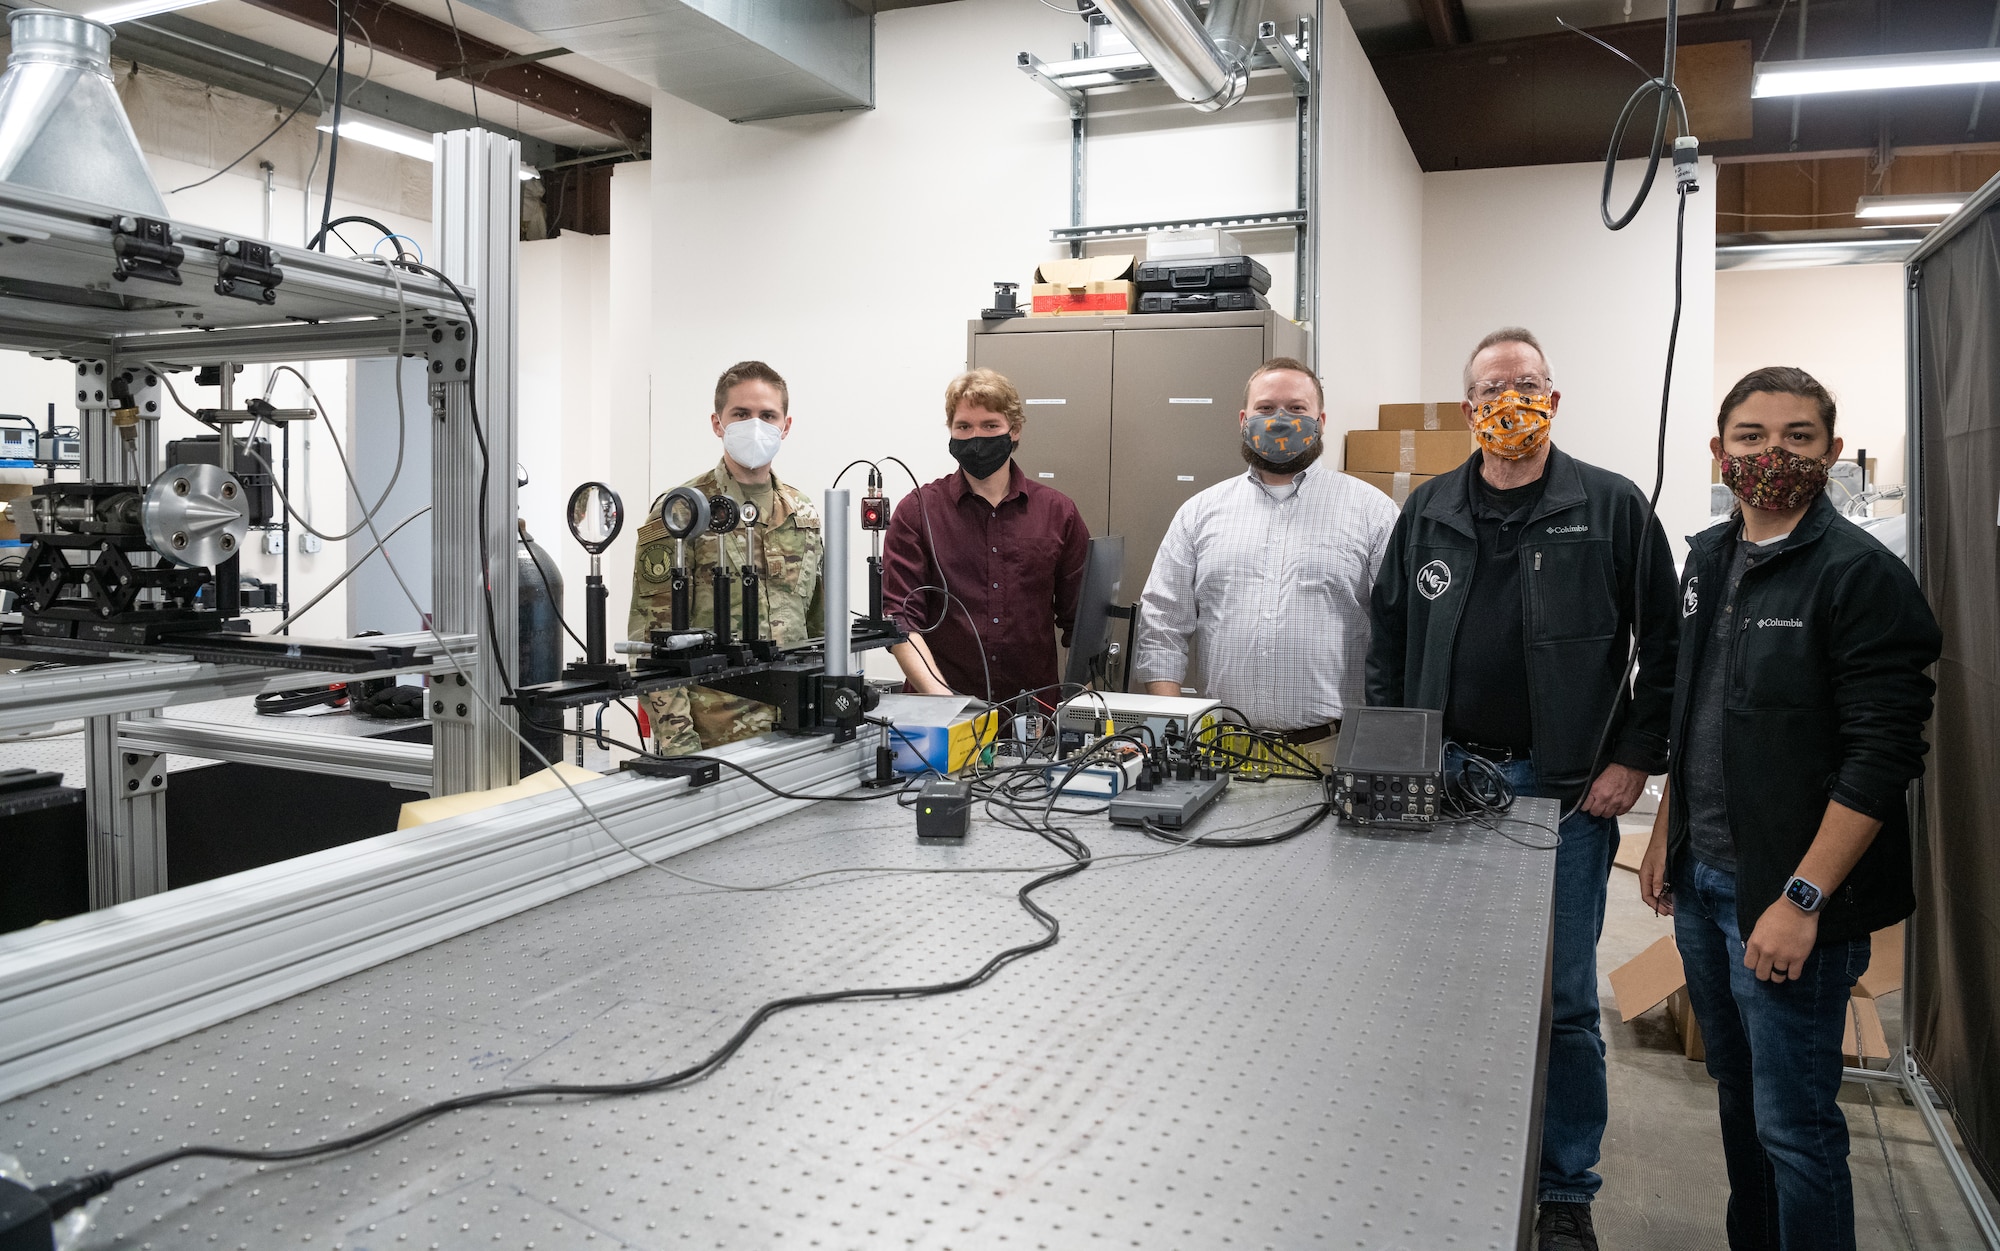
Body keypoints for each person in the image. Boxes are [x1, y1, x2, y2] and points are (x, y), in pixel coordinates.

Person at [1366, 327, 1679, 1251]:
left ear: (1555, 397)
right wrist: (1394, 754)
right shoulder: (1428, 509)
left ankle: (1565, 1186)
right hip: (1446, 778)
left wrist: (1633, 756)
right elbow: (1387, 644)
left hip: (1566, 791)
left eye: (1530, 385)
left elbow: (1665, 649)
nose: (1514, 401)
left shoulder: (1613, 507)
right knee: (1443, 986)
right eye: (1495, 389)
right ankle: (1453, 1149)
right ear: (1469, 410)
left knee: (1566, 998)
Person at [1639, 367, 1940, 1251]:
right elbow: (1693, 707)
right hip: (1704, 884)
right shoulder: (1708, 557)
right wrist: (1667, 833)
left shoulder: (1860, 577)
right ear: (1719, 452)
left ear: (1832, 453)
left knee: (1795, 1130)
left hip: (1789, 900)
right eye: (1751, 436)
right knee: (1738, 1103)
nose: (1773, 454)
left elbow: (1883, 759)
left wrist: (1801, 898)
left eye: (1798, 438)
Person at [1132, 357, 1397, 768]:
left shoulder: (1371, 511)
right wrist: (1174, 726)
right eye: (1266, 408)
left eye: (1296, 409)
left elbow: (1400, 631)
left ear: (1321, 420)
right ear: (1243, 418)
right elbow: (1163, 624)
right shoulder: (1200, 512)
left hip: (1331, 751)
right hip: (1218, 749)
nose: (1280, 420)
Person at [628, 360, 823, 755]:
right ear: (718, 423)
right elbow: (651, 640)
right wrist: (680, 745)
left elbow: (818, 627)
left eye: (768, 415)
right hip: (714, 736)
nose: (756, 425)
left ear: (785, 426)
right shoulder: (680, 511)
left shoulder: (803, 513)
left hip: (798, 727)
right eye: (741, 414)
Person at [881, 368, 1091, 705]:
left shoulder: (1058, 512)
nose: (975, 437)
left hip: (1032, 718)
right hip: (940, 717)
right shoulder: (917, 511)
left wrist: (1083, 710)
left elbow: (1081, 623)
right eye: (964, 427)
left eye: (990, 426)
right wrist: (946, 704)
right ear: (950, 431)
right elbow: (900, 620)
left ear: (1015, 430)